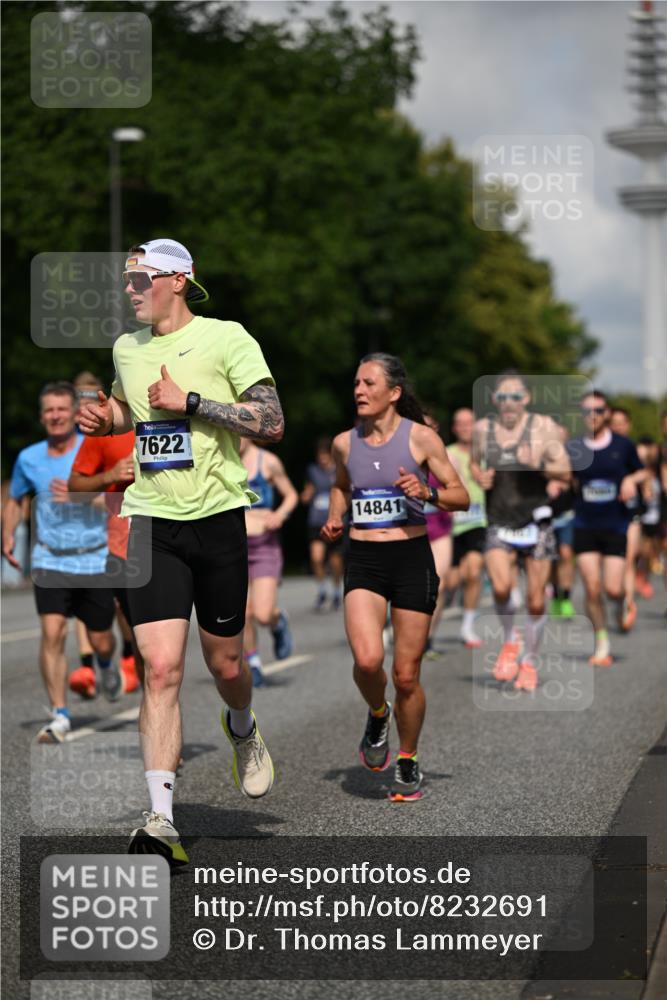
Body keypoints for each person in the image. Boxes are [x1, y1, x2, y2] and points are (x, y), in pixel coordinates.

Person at [78, 238, 284, 866]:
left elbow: (271, 422)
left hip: (218, 518)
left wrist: (192, 402)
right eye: (126, 277)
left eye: (141, 277)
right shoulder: (126, 348)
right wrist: (106, 416)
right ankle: (161, 820)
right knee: (161, 669)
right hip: (151, 519)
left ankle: (242, 728)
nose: (130, 287)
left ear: (179, 279)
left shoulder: (227, 338)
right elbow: (131, 408)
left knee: (225, 666)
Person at [322, 353, 468, 801]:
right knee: (368, 662)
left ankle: (407, 758)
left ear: (394, 393)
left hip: (411, 559)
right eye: (356, 383)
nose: (359, 391)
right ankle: (377, 711)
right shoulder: (345, 443)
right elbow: (342, 485)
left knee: (406, 674)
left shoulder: (421, 438)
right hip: (364, 560)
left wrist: (428, 492)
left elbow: (461, 496)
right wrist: (334, 516)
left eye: (368, 383)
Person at [2, 381, 120, 742]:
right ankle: (60, 714)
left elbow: (117, 498)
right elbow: (15, 499)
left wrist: (80, 497)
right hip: (50, 558)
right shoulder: (29, 458)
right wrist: (8, 533)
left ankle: (105, 663)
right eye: (48, 410)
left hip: (95, 557)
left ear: (73, 412)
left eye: (61, 409)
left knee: (101, 639)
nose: (55, 416)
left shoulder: (94, 449)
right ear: (42, 416)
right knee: (52, 632)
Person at [471, 371, 571, 691]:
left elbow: (566, 471)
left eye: (515, 397)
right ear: (494, 401)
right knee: (500, 589)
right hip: (500, 519)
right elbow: (475, 462)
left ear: (526, 399)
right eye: (503, 397)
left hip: (535, 521)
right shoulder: (483, 429)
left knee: (536, 601)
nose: (509, 403)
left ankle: (529, 660)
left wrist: (538, 464)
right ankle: (511, 640)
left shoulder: (543, 428)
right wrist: (480, 476)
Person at [567, 392, 647, 666]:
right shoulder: (575, 446)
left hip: (616, 523)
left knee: (612, 589)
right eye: (587, 410)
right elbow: (567, 477)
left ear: (607, 413)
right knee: (592, 587)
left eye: (598, 410)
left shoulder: (623, 445)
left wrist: (629, 479)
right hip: (585, 523)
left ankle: (622, 600)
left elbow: (643, 471)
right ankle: (602, 642)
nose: (593, 415)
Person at [68, 427, 142, 696]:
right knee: (101, 637)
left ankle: (149, 690)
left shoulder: (174, 416)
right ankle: (103, 663)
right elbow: (74, 488)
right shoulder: (103, 432)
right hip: (109, 547)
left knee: (151, 639)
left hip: (164, 543)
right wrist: (110, 477)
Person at [240, 437, 298, 686]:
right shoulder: (222, 460)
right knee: (243, 612)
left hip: (264, 545)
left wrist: (280, 515)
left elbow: (291, 495)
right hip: (234, 546)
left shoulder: (268, 462)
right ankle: (252, 664)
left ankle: (277, 620)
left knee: (262, 614)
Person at [446, 408, 487, 647]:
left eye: (468, 423)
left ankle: (468, 626)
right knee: (449, 581)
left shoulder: (487, 454)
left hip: (478, 520)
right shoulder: (446, 453)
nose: (464, 427)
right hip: (450, 523)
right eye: (459, 423)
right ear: (454, 428)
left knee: (473, 571)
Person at [301, 437, 344, 612]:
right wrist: (305, 495)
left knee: (335, 562)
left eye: (325, 456)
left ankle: (336, 590)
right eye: (320, 456)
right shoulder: (312, 471)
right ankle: (322, 590)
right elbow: (309, 489)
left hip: (335, 521)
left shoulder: (340, 470)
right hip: (316, 520)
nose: (322, 459)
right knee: (316, 558)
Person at [422, 415, 452, 658]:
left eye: (430, 427)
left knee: (438, 586)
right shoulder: (403, 455)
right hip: (411, 529)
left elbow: (459, 492)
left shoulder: (444, 458)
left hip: (440, 530)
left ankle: (428, 639)